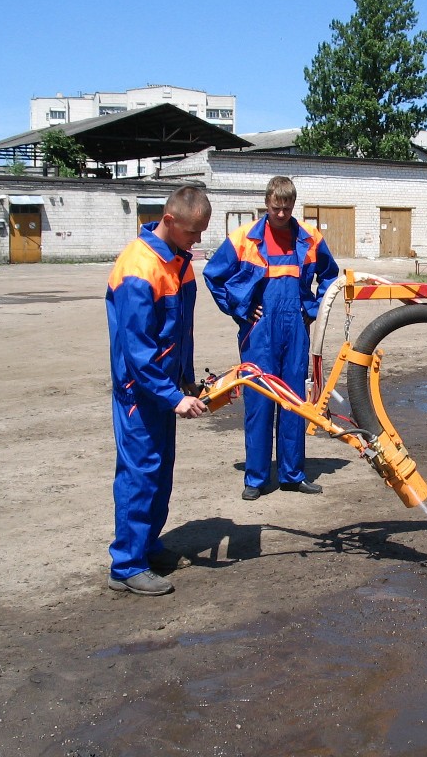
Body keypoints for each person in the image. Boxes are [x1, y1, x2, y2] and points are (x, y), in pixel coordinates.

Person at [203, 176, 340, 501]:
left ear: (293, 206)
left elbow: (331, 275)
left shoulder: (309, 237)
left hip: (295, 329)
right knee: (259, 403)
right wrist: (239, 311)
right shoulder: (244, 239)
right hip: (258, 332)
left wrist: (313, 308)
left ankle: (293, 474)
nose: (281, 214)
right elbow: (213, 275)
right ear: (267, 204)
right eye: (276, 208)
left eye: (287, 208)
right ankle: (256, 478)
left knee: (294, 401)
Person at [105, 185, 211, 596]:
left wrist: (185, 379)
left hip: (165, 387)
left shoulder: (178, 262)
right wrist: (173, 397)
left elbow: (178, 330)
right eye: (192, 232)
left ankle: (147, 546)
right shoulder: (138, 267)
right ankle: (126, 565)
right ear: (169, 220)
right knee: (140, 474)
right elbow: (137, 351)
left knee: (159, 473)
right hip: (140, 392)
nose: (197, 240)